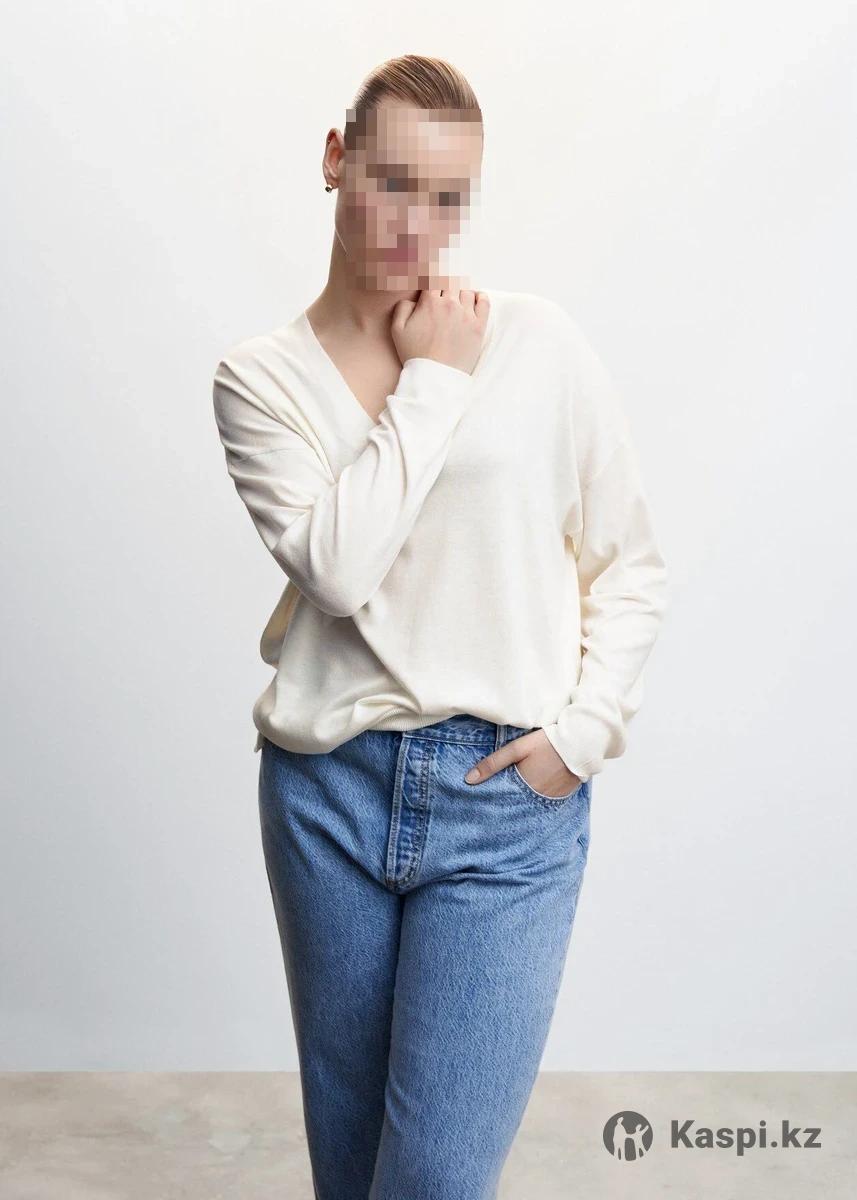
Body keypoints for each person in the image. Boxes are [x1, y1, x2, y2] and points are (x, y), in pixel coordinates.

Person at [212, 53, 669, 1200]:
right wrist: (431, 383)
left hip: (501, 802)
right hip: (328, 793)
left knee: (433, 1179)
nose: (417, 228)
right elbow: (338, 570)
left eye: (448, 198)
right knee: (351, 1165)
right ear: (336, 159)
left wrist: (580, 738)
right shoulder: (260, 382)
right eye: (394, 183)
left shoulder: (536, 343)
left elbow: (626, 562)